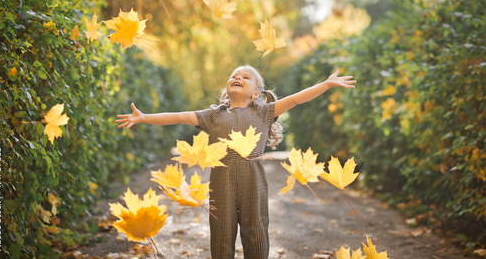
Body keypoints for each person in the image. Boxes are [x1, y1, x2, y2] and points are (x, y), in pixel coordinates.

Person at [115, 65, 356, 259]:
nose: (237, 77)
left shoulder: (263, 112)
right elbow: (179, 116)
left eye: (245, 77)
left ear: (256, 94)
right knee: (221, 231)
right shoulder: (213, 115)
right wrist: (144, 117)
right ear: (226, 88)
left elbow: (295, 99)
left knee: (256, 228)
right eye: (233, 76)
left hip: (253, 177)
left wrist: (325, 84)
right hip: (222, 177)